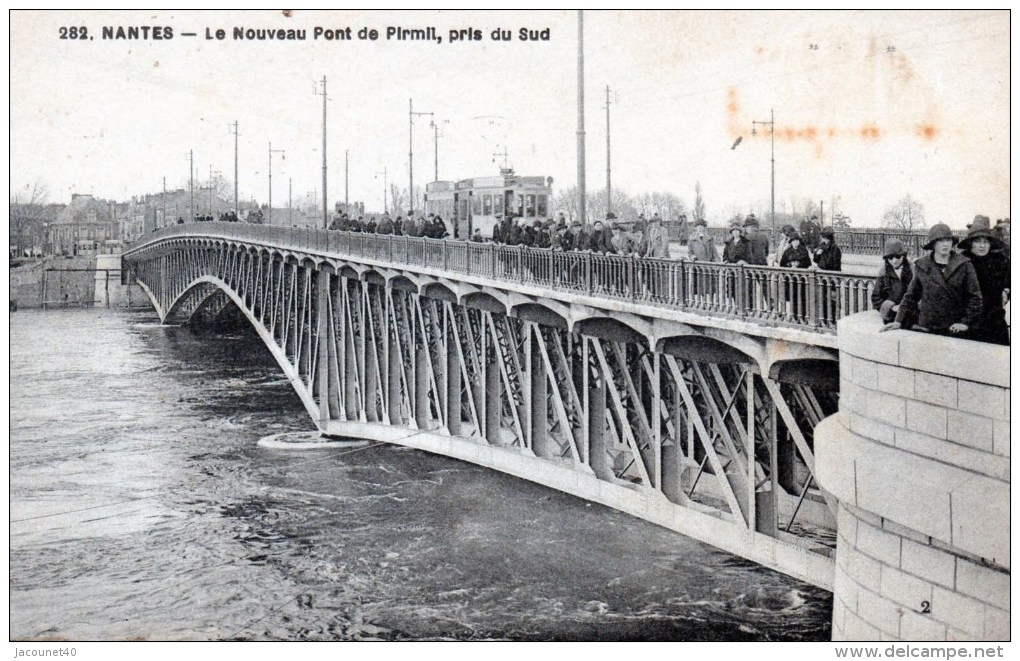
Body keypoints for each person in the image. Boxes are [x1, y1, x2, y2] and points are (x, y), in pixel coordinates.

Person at [882, 223, 982, 337]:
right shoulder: (922, 265)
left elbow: (975, 298)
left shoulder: (964, 264)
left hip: (955, 328)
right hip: (927, 328)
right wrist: (898, 321)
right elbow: (911, 296)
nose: (945, 244)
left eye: (948, 240)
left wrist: (965, 323)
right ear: (933, 244)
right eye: (940, 241)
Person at [958, 217, 1010, 345]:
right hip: (968, 324)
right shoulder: (961, 261)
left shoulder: (1000, 260)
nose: (982, 245)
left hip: (995, 323)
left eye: (986, 241)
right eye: (978, 241)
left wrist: (1006, 291)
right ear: (970, 243)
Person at [871, 238, 914, 323]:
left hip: (912, 315)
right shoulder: (883, 273)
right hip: (892, 316)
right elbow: (876, 298)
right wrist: (890, 307)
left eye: (898, 256)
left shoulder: (914, 271)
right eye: (890, 257)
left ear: (903, 256)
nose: (894, 261)